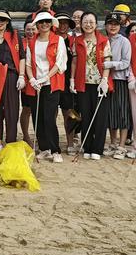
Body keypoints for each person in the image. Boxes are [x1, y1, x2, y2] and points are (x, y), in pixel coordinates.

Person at [70, 11, 112, 160]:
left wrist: (105, 80)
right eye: (85, 22)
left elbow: (107, 62)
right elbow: (74, 61)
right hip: (84, 83)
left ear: (96, 24)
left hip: (101, 84)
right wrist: (72, 79)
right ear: (81, 24)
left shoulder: (103, 40)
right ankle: (87, 146)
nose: (88, 25)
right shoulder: (76, 41)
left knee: (100, 117)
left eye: (91, 22)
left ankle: (97, 149)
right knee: (86, 115)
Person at [26, 12, 67, 163]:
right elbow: (29, 64)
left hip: (51, 83)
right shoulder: (32, 42)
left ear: (51, 23)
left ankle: (55, 149)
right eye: (41, 22)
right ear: (37, 24)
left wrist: (46, 77)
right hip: (36, 84)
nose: (44, 24)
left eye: (47, 22)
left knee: (49, 117)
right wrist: (31, 79)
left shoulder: (58, 40)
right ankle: (44, 149)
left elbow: (59, 62)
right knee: (38, 116)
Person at [0, 8, 26, 155]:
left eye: (3, 19)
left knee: (12, 110)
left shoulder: (15, 36)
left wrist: (21, 75)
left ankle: (11, 141)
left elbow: (22, 56)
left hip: (12, 76)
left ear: (8, 21)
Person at [102, 13, 132, 160]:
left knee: (122, 112)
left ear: (119, 26)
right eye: (110, 23)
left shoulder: (124, 41)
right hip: (106, 80)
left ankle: (121, 145)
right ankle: (112, 143)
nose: (113, 26)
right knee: (110, 112)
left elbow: (126, 62)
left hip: (120, 80)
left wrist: (110, 64)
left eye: (116, 24)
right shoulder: (103, 40)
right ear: (105, 25)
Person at [55, 12, 78, 154]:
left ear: (69, 25)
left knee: (68, 113)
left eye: (65, 23)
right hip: (53, 79)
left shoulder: (72, 41)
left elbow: (76, 61)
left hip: (68, 79)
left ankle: (70, 143)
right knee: (51, 113)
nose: (62, 25)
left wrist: (73, 80)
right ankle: (53, 142)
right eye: (60, 22)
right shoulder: (51, 39)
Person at [20, 16, 36, 146]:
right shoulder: (21, 43)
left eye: (33, 29)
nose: (30, 32)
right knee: (27, 109)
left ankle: (40, 136)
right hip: (26, 82)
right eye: (28, 29)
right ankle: (26, 135)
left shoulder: (41, 41)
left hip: (40, 80)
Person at [127, 31, 136, 158]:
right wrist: (132, 78)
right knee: (135, 115)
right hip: (134, 83)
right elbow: (128, 60)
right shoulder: (132, 38)